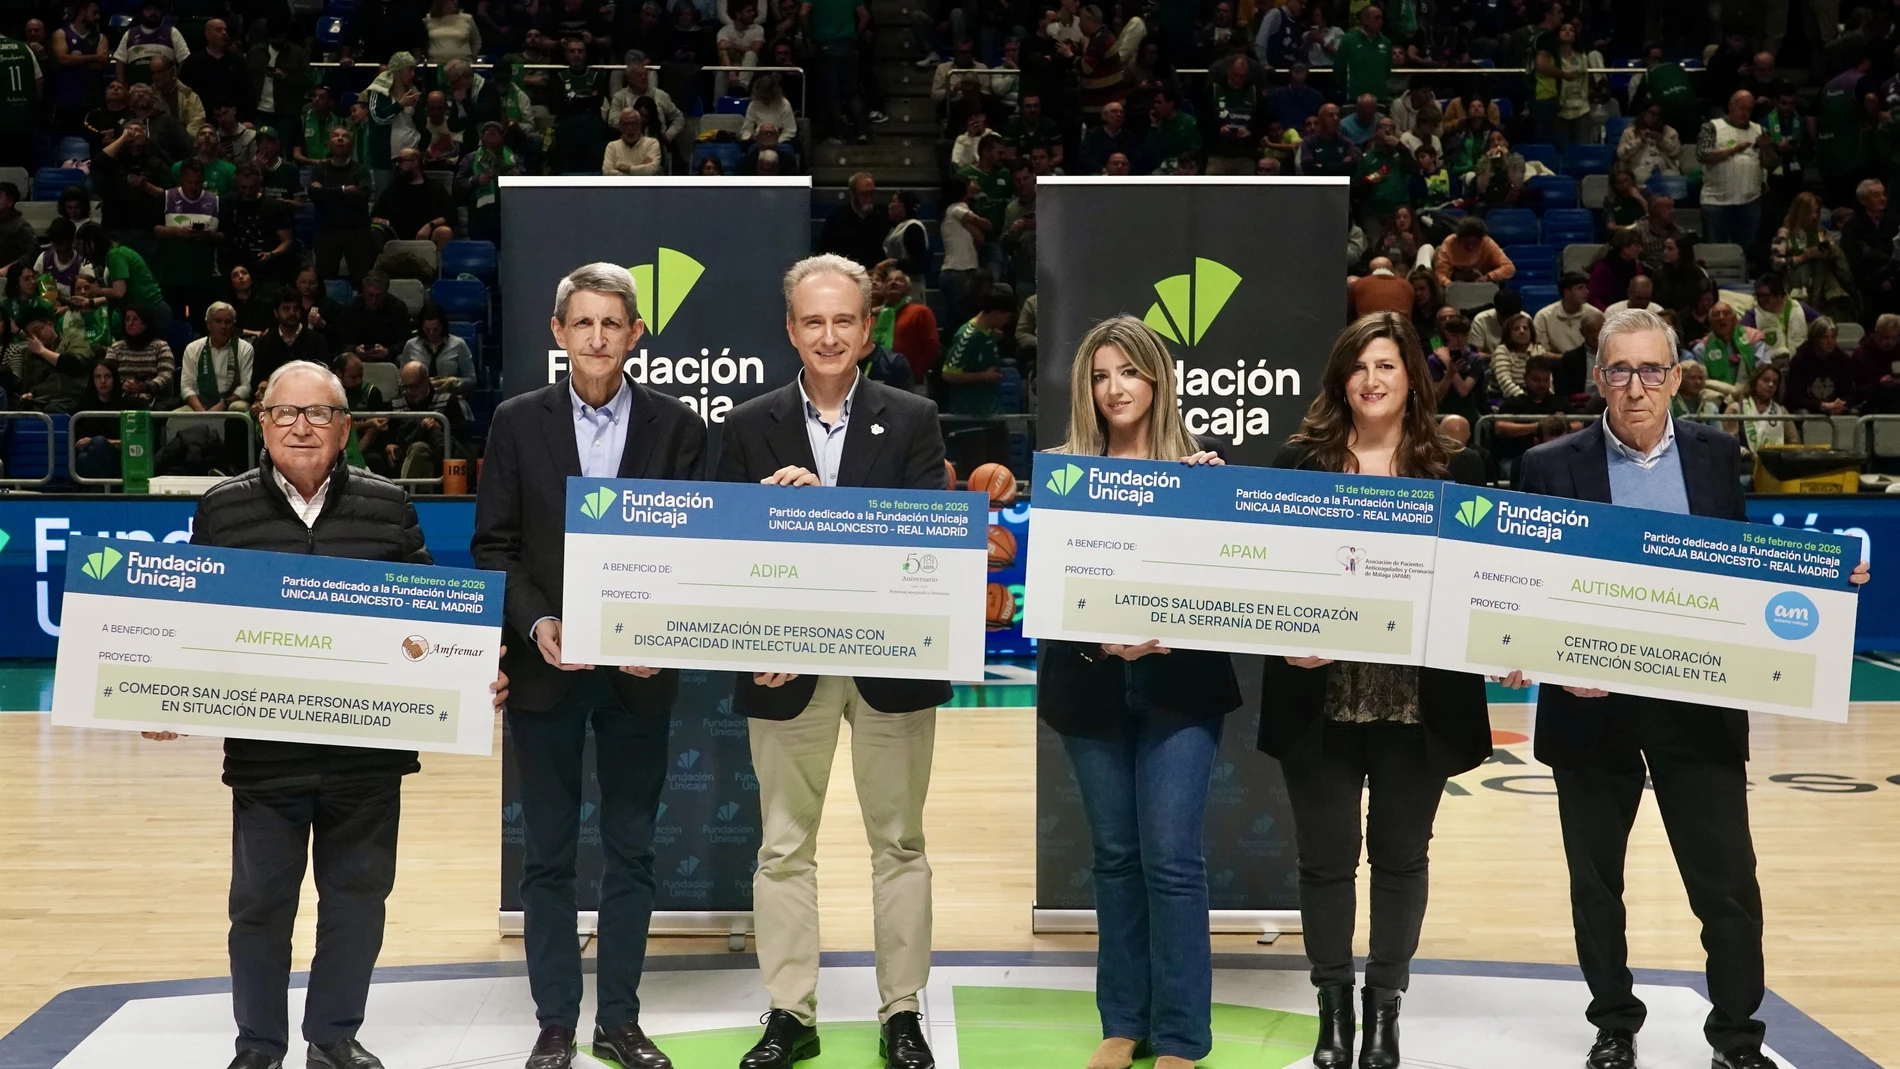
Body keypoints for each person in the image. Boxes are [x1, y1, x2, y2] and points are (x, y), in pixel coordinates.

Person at [1511, 307, 1869, 1069]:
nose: (1635, 386)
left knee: (1728, 884)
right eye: (1618, 370)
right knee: (1595, 885)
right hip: (1588, 708)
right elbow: (1525, 588)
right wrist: (1545, 655)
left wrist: (1823, 579)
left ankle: (1737, 1040)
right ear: (1597, 377)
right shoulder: (1548, 464)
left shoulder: (1715, 454)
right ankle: (1614, 1022)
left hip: (1695, 705)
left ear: (1676, 377)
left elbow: (1738, 572)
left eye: (1650, 370)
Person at [166, 358, 508, 1069]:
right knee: (259, 907)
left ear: (346, 426)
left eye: (318, 413)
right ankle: (259, 1044)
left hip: (368, 755)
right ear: (261, 423)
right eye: (285, 412)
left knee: (356, 901)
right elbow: (187, 620)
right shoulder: (223, 507)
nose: (300, 425)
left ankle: (333, 1035)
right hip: (267, 757)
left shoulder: (388, 504)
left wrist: (473, 667)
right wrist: (159, 685)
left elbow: (427, 615)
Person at [472, 263, 705, 1069]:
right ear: (558, 332)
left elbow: (693, 549)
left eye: (614, 324)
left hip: (640, 677)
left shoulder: (680, 426)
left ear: (636, 334)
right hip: (546, 674)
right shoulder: (515, 420)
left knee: (633, 848)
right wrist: (538, 623)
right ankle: (555, 1022)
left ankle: (621, 1020)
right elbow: (494, 544)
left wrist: (659, 632)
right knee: (546, 856)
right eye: (584, 323)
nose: (599, 337)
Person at [717, 254, 945, 1069]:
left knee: (901, 842)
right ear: (790, 329)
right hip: (785, 668)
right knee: (784, 846)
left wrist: (827, 510)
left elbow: (927, 543)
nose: (828, 334)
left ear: (867, 327)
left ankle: (903, 1011)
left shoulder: (914, 417)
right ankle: (790, 1012)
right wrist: (754, 638)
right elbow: (724, 557)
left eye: (843, 320)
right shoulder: (745, 427)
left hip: (890, 665)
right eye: (812, 321)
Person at [1262, 311, 1491, 1069]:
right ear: (1341, 378)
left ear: (1410, 379)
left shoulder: (1454, 470)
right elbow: (1262, 579)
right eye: (1360, 366)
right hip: (1319, 700)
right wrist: (1281, 635)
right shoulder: (1300, 465)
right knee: (1325, 859)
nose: (1372, 379)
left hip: (1416, 706)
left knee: (1401, 857)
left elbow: (1489, 587)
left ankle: (1384, 1006)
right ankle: (1332, 1007)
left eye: (1387, 365)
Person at [1037, 315, 1236, 1069]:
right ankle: (1123, 1021)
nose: (1114, 388)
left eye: (1129, 371)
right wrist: (1099, 637)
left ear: (1158, 379)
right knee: (1116, 856)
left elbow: (1232, 590)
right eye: (1099, 374)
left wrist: (1214, 508)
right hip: (1089, 685)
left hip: (1180, 689)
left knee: (1172, 858)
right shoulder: (1063, 471)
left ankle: (1182, 1036)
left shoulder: (1202, 471)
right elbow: (1049, 601)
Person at [1697, 91, 1769, 259]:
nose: (1744, 113)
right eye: (1741, 108)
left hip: (1749, 201)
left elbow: (1771, 163)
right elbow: (1703, 154)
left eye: (1749, 109)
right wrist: (1733, 150)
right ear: (1730, 106)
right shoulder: (1712, 127)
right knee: (1715, 252)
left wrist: (1767, 148)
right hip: (1716, 201)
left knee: (1748, 251)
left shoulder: (1759, 130)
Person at [1771, 191, 1858, 323]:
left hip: (1820, 285)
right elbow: (1776, 263)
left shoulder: (1821, 233)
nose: (1814, 216)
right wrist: (1802, 258)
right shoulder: (1785, 234)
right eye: (1810, 212)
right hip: (1795, 285)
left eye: (1816, 212)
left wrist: (1827, 253)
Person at [309, 128, 377, 286]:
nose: (340, 139)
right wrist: (343, 190)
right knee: (324, 281)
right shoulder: (319, 169)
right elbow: (314, 195)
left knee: (362, 281)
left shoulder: (361, 170)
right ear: (328, 144)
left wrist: (327, 193)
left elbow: (362, 197)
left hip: (357, 232)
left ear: (351, 145)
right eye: (335, 136)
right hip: (327, 232)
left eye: (345, 137)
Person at [221, 165, 295, 288]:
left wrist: (271, 254)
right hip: (233, 265)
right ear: (236, 183)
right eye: (243, 187)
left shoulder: (273, 205)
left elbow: (287, 241)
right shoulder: (226, 202)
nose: (248, 192)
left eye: (252, 187)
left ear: (260, 182)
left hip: (264, 268)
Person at [252, 286, 332, 395]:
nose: (292, 313)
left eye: (296, 308)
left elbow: (325, 378)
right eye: (286, 308)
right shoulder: (264, 343)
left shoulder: (316, 341)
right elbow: (257, 380)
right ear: (276, 313)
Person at [178, 300, 254, 413]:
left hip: (230, 403)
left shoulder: (245, 348)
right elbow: (187, 387)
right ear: (209, 325)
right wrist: (200, 411)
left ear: (233, 326)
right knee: (176, 416)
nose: (223, 326)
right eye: (218, 321)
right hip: (199, 404)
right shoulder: (193, 348)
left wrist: (223, 404)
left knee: (238, 408)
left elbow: (245, 387)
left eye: (228, 322)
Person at [373, 148, 455, 251]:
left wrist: (430, 225)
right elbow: (375, 214)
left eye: (401, 161)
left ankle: (436, 265)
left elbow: (451, 214)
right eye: (396, 162)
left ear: (415, 162)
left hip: (427, 239)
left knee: (444, 232)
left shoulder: (434, 188)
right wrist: (379, 220)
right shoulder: (394, 188)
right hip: (397, 239)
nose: (397, 165)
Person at [104, 304, 174, 408]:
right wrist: (122, 385)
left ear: (146, 323)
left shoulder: (161, 347)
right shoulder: (116, 347)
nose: (130, 323)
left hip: (154, 401)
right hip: (121, 399)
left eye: (135, 319)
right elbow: (107, 373)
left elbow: (166, 375)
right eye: (127, 319)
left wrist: (146, 386)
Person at [1690, 300, 1765, 396]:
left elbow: (1764, 372)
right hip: (1717, 397)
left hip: (1751, 395)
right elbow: (1703, 382)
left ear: (1734, 319)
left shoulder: (1754, 338)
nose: (1721, 317)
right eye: (1716, 315)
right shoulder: (1701, 349)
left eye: (1726, 313)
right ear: (1711, 323)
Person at [400, 301, 477, 394]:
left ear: (443, 326)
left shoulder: (458, 344)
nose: (431, 333)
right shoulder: (411, 345)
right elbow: (401, 380)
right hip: (417, 397)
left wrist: (454, 382)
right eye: (427, 329)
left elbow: (472, 380)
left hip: (450, 397)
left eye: (436, 329)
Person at [1783, 317, 1856, 414]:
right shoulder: (1800, 360)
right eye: (1825, 337)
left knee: (1853, 412)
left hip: (1834, 407)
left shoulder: (1842, 359)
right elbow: (1794, 397)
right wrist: (1821, 405)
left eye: (1833, 337)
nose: (1830, 341)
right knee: (1803, 413)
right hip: (1809, 408)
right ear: (1815, 339)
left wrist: (1840, 403)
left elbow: (1849, 393)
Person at [363, 52, 423, 167]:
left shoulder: (413, 91)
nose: (413, 74)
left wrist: (418, 103)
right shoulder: (378, 91)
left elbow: (420, 123)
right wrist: (400, 105)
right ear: (399, 71)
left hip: (411, 154)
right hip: (386, 157)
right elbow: (378, 118)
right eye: (409, 70)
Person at [819, 172, 888, 273]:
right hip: (847, 274)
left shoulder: (882, 214)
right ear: (853, 194)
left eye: (872, 193)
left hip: (877, 277)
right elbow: (826, 253)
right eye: (864, 194)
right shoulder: (837, 218)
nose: (869, 199)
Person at [341, 273, 415, 365]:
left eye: (378, 296)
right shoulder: (351, 307)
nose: (374, 301)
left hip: (389, 358)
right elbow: (342, 340)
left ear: (385, 294)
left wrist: (388, 351)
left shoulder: (397, 308)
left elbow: (406, 341)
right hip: (356, 358)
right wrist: (355, 349)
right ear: (364, 292)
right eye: (370, 295)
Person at [1741, 273, 1817, 361]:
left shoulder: (1800, 308)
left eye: (1765, 296)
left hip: (1800, 362)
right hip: (1768, 366)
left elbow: (1824, 324)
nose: (1761, 300)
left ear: (1779, 295)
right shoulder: (1753, 315)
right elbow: (1740, 337)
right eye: (1758, 296)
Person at [1726, 363, 1797, 448]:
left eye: (1775, 382)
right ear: (1755, 381)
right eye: (1766, 380)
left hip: (1775, 460)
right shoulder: (1735, 409)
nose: (1771, 385)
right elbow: (1729, 444)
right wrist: (1749, 456)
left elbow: (1794, 442)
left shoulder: (1782, 411)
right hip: (1744, 460)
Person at [1434, 217, 1515, 286]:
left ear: (1481, 240)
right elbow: (1440, 273)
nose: (1470, 247)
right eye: (1466, 243)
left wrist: (1488, 276)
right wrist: (1450, 285)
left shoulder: (1487, 243)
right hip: (1454, 280)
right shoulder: (1450, 243)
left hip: (1481, 282)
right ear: (1458, 239)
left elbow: (1509, 268)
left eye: (1475, 244)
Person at [1615, 103, 1681, 185]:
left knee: (1674, 178)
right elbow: (1621, 155)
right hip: (1639, 169)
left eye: (1658, 115)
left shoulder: (1670, 132)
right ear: (1644, 113)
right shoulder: (1629, 132)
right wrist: (1639, 141)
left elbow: (1676, 152)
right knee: (1641, 177)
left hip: (1665, 169)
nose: (1654, 118)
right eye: (1651, 113)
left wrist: (1661, 140)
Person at [1490, 310, 1546, 400]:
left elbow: (1547, 380)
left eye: (1525, 328)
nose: (1522, 331)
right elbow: (1505, 383)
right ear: (1509, 333)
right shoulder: (1502, 350)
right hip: (1504, 397)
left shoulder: (1538, 349)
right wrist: (1526, 401)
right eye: (1516, 329)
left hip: (1534, 397)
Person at [1587, 231, 1646, 311]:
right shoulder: (1602, 268)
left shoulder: (1637, 268)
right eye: (1636, 246)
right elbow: (1593, 297)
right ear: (1624, 247)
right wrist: (1608, 311)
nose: (1640, 250)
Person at [1535, 272, 1592, 354]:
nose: (1587, 292)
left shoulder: (1594, 314)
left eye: (1586, 288)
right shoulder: (1544, 316)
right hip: (1554, 363)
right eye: (1580, 288)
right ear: (1567, 292)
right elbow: (1541, 351)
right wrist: (1567, 359)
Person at [603, 107, 663, 175]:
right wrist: (640, 170)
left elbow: (651, 170)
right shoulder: (612, 147)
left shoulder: (651, 143)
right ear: (620, 126)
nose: (630, 128)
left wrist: (624, 168)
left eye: (633, 123)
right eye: (626, 124)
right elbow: (607, 172)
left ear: (640, 124)